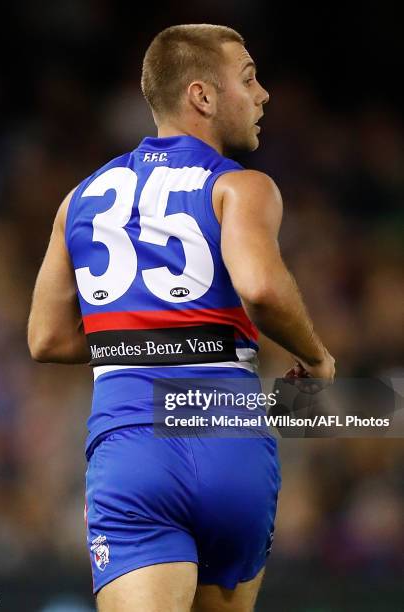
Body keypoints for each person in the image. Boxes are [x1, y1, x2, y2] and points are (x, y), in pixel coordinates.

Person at [28, 24, 335, 612]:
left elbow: (46, 338)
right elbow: (264, 290)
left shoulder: (80, 199)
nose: (263, 94)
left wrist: (140, 343)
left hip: (132, 442)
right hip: (231, 441)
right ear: (202, 96)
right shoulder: (240, 188)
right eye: (249, 79)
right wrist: (317, 357)